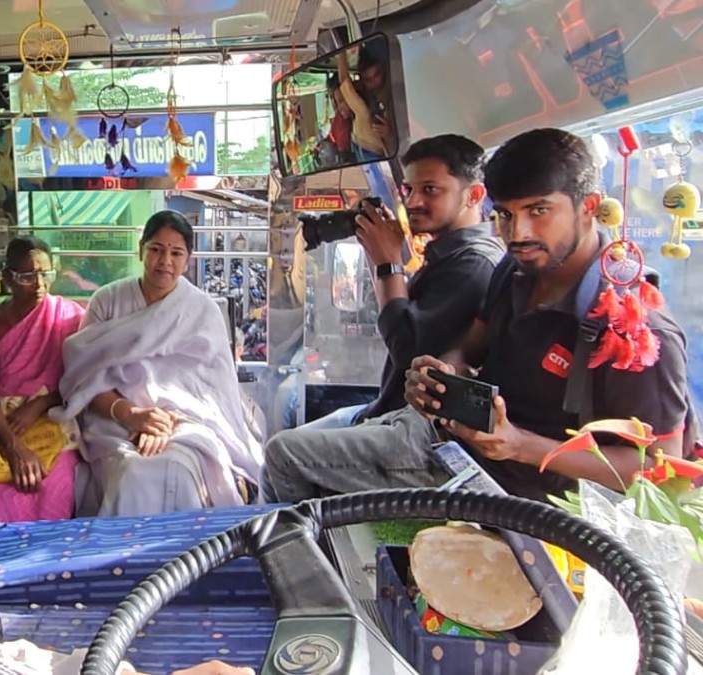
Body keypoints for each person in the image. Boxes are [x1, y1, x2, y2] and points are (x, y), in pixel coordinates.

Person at [262, 128, 691, 505]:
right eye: (506, 215)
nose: (518, 233)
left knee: (286, 458)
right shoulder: (514, 270)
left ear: (589, 207)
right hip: (450, 440)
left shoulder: (635, 328)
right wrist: (442, 372)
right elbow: (472, 345)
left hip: (518, 491)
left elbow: (659, 467)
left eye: (538, 211)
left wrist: (520, 445)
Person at [268, 135, 503, 447]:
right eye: (409, 189)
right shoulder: (448, 255)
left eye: (430, 190)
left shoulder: (473, 264)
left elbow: (409, 353)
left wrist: (388, 263)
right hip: (385, 411)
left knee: (280, 454)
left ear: (473, 195)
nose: (413, 201)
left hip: (412, 433)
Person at [56, 210, 264, 517]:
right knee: (131, 471)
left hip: (188, 422)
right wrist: (131, 414)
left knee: (179, 469)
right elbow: (83, 379)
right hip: (114, 422)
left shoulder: (202, 311)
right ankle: (122, 562)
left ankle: (189, 562)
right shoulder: (107, 300)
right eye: (156, 249)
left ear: (187, 260)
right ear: (141, 250)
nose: (165, 261)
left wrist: (167, 421)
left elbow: (214, 392)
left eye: (176, 252)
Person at [0, 236, 85, 525]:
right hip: (0, 422)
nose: (40, 285)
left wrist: (41, 403)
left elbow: (82, 380)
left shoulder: (70, 317)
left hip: (54, 417)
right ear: (7, 278)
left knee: (55, 486)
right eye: (28, 276)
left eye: (46, 275)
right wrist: (13, 449)